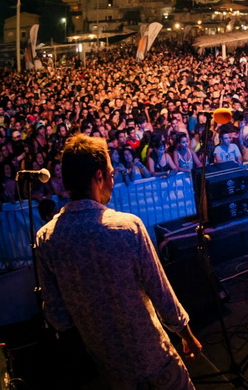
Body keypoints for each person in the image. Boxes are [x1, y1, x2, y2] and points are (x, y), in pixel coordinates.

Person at [35, 134, 201, 388]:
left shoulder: (46, 239)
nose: (113, 181)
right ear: (99, 177)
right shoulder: (127, 227)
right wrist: (186, 334)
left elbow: (57, 316)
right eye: (111, 175)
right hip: (154, 359)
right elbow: (160, 291)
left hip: (110, 369)